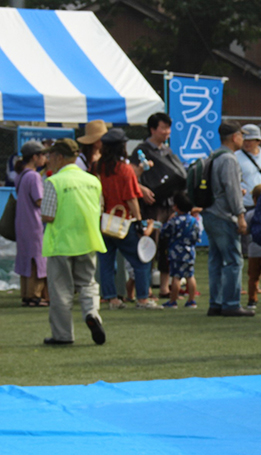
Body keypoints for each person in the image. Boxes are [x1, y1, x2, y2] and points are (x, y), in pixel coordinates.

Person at [39, 139, 107, 346]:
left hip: (61, 243)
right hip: (88, 240)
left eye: (50, 156)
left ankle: (63, 335)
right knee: (88, 284)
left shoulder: (54, 182)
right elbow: (100, 208)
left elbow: (48, 215)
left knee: (61, 290)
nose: (48, 159)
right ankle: (92, 313)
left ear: (59, 157)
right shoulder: (93, 180)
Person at [95, 128, 160, 309]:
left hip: (103, 221)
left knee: (107, 262)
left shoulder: (98, 168)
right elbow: (131, 198)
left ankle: (111, 298)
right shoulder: (124, 169)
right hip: (124, 222)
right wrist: (139, 220)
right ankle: (142, 298)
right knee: (140, 260)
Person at [131, 112, 186, 299]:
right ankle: (145, 288)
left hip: (169, 205)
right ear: (152, 129)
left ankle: (164, 288)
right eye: (163, 128)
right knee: (149, 245)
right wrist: (142, 189)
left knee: (167, 246)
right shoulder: (141, 151)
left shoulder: (168, 151)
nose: (167, 132)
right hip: (150, 206)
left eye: (169, 128)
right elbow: (130, 179)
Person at [203, 120, 254, 317]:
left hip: (209, 213)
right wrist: (240, 215)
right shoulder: (230, 159)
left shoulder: (213, 156)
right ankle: (231, 303)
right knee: (234, 260)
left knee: (215, 260)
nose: (243, 139)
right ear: (235, 137)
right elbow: (232, 190)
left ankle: (215, 302)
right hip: (224, 215)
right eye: (241, 135)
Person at [13, 141, 48, 307]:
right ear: (35, 157)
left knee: (26, 258)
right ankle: (35, 295)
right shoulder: (34, 176)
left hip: (21, 222)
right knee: (37, 260)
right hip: (34, 223)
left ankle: (27, 294)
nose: (45, 158)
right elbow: (40, 200)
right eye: (42, 155)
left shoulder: (20, 175)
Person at [160, 190, 201, 309]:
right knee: (190, 276)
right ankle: (192, 300)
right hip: (190, 251)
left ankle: (173, 301)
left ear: (176, 207)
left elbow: (164, 232)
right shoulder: (194, 221)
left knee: (176, 276)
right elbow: (197, 237)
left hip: (176, 252)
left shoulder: (175, 221)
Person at [236, 123, 261, 217]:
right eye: (244, 140)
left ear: (258, 141)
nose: (246, 143)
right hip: (245, 204)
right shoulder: (235, 156)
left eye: (250, 140)